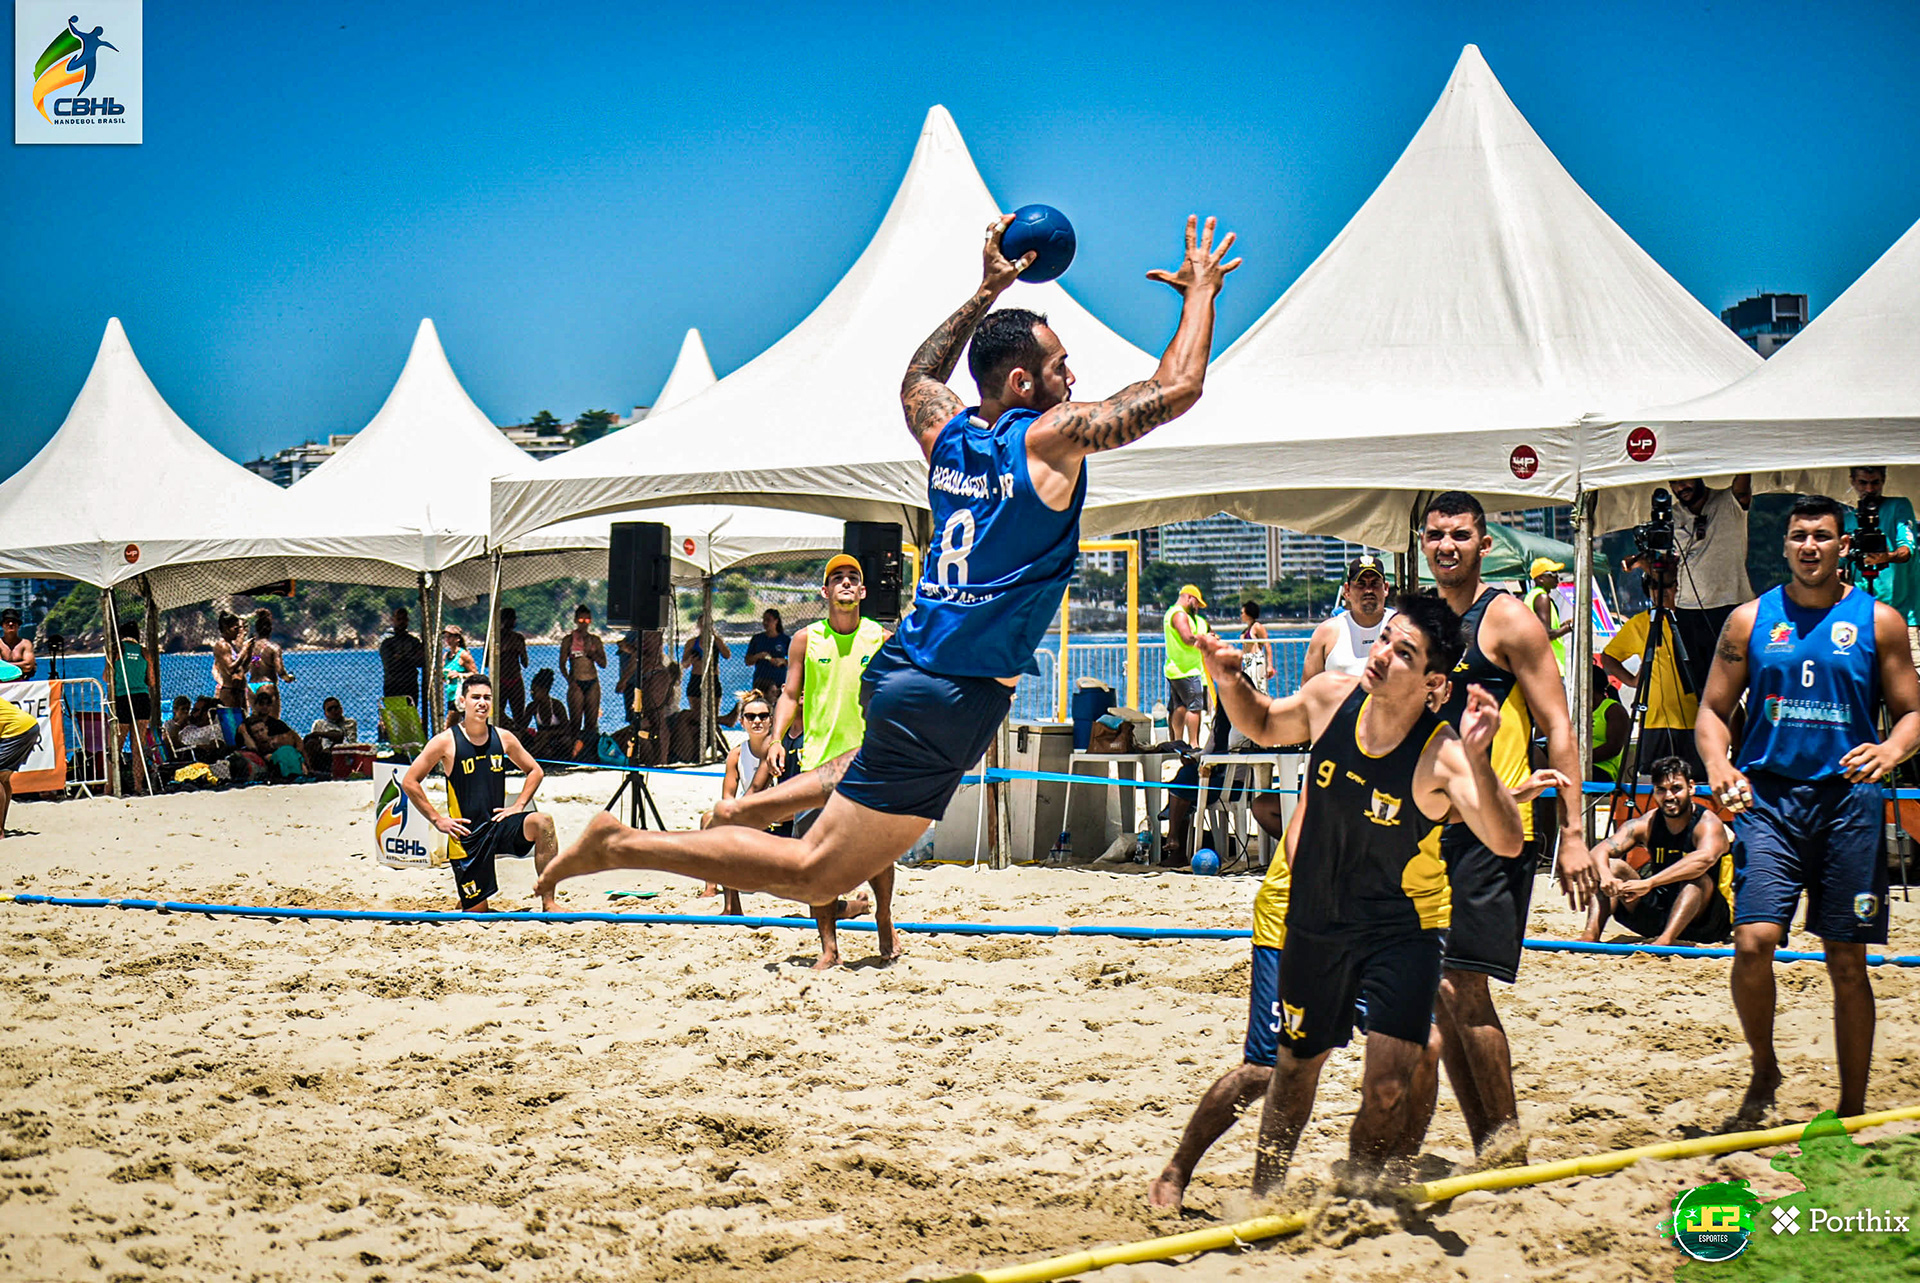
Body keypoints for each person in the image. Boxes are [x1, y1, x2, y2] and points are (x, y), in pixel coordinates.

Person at [537, 212, 1241, 939]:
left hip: (903, 667)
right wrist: (1201, 292)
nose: (1073, 378)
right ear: (1023, 381)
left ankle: (747, 807)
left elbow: (920, 376)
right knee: (817, 872)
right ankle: (621, 845)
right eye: (1062, 366)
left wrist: (986, 291)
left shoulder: (947, 433)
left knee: (869, 762)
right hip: (951, 693)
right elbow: (1176, 386)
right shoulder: (1045, 441)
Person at [1193, 595, 1534, 1195]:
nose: (1381, 654)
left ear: (1433, 682)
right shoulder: (1332, 695)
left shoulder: (1444, 753)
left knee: (1389, 1084)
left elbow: (1507, 841)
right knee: (1294, 1070)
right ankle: (1264, 1196)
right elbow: (1264, 722)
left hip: (1401, 930)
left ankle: (1359, 1189)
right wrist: (1228, 681)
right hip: (1318, 919)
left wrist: (1481, 761)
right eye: (1384, 639)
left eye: (1403, 652)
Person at [1697, 493, 1920, 1123]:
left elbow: (1912, 712)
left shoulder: (1879, 621)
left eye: (1822, 535)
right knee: (1753, 944)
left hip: (1849, 806)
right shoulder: (1749, 620)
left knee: (1846, 960)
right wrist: (1718, 766)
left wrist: (1891, 749)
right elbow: (1712, 710)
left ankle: (1851, 1109)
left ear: (1842, 545)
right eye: (1799, 536)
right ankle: (1764, 1068)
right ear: (1785, 544)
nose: (1810, 547)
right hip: (1769, 801)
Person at [1419, 490, 1596, 1167]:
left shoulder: (1509, 619)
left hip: (1499, 825)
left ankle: (1509, 1149)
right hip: (1435, 824)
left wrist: (1574, 834)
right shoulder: (1422, 618)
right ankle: (1490, 1145)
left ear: (1484, 544)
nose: (1447, 546)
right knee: (1440, 992)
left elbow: (1560, 725)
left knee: (1465, 986)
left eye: (1460, 535)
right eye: (1436, 535)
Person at [735, 556, 895, 968]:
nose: (846, 582)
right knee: (814, 860)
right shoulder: (806, 640)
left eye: (853, 577)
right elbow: (789, 694)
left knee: (877, 853)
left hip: (867, 760)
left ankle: (883, 918)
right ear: (825, 591)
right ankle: (829, 948)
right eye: (837, 578)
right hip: (817, 763)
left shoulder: (881, 638)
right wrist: (775, 740)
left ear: (862, 591)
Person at [402, 674, 558, 913]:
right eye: (475, 697)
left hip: (498, 825)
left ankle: (549, 903)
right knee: (477, 913)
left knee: (543, 822)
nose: (482, 702)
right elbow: (410, 781)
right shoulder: (445, 741)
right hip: (468, 836)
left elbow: (535, 771)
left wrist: (518, 806)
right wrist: (437, 819)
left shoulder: (503, 738)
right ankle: (468, 900)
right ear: (462, 701)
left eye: (487, 697)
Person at [1580, 756, 1732, 945]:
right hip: (1658, 913)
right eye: (1661, 790)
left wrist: (1650, 882)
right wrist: (1606, 877)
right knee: (1611, 866)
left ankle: (1664, 942)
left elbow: (1703, 860)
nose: (1669, 797)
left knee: (1697, 879)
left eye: (1676, 788)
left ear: (1691, 787)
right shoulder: (1647, 822)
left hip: (1706, 923)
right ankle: (1590, 936)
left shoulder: (1707, 823)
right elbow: (1598, 851)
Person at [1600, 567, 1701, 779]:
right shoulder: (1640, 623)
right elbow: (1608, 657)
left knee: (1697, 781)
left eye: (1668, 585)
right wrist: (1631, 681)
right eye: (1654, 586)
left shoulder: (1693, 620)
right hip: (1654, 721)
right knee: (1653, 782)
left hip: (1695, 718)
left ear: (1679, 587)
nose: (1661, 591)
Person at [1670, 474, 1753, 694]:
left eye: (1685, 479)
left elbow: (1744, 474)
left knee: (1734, 690)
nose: (1680, 487)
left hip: (1730, 606)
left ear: (1700, 475)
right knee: (1701, 692)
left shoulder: (1729, 500)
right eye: (1674, 483)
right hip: (1687, 611)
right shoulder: (1672, 514)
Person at [708, 690, 786, 917]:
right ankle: (712, 888)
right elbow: (728, 796)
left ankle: (730, 904)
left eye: (763, 716)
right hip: (753, 815)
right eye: (751, 717)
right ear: (741, 722)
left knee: (727, 823)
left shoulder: (777, 747)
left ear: (772, 720)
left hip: (778, 818)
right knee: (709, 819)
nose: (757, 721)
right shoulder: (736, 754)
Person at [1846, 465, 1920, 675]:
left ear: (1884, 480)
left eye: (1875, 483)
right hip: (1862, 615)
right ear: (1853, 481)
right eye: (1863, 483)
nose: (1869, 489)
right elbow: (1841, 563)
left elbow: (1907, 549)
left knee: (1911, 678)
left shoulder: (1898, 506)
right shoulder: (1848, 517)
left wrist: (1888, 557)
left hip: (1902, 615)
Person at [1303, 555, 1395, 681]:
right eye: (1361, 584)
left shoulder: (1403, 628)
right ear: (1347, 590)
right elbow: (1308, 688)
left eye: (1375, 583)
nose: (1368, 590)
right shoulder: (1326, 633)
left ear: (1386, 588)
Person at [1163, 585, 1211, 747]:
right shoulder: (1179, 614)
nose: (1197, 607)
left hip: (1176, 668)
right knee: (1194, 708)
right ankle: (1193, 744)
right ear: (1189, 597)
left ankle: (1177, 741)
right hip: (1187, 669)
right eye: (1196, 603)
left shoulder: (1172, 613)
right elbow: (1187, 638)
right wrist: (1205, 639)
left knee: (1179, 707)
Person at [110, 618, 153, 794]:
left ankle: (109, 786)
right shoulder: (144, 652)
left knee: (117, 747)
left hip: (123, 698)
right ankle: (138, 786)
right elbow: (151, 680)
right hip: (142, 699)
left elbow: (106, 676)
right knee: (138, 747)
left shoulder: (117, 650)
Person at [560, 605, 606, 761]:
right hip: (576, 682)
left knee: (591, 723)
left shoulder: (595, 640)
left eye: (587, 620)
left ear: (590, 621)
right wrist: (570, 681)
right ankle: (573, 754)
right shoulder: (568, 640)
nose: (584, 623)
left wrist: (592, 654)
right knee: (575, 722)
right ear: (575, 620)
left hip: (592, 681)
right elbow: (562, 664)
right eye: (581, 620)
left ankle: (590, 754)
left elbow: (603, 663)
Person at [0, 693, 42, 836]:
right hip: (28, 726)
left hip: (18, 730)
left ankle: (0, 830)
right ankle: (1, 826)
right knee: (3, 779)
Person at [239, 689, 303, 779]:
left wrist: (297, 751)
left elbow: (296, 738)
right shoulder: (247, 724)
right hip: (262, 756)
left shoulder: (277, 724)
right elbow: (251, 747)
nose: (265, 707)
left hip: (283, 753)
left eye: (268, 704)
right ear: (255, 705)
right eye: (261, 704)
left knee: (288, 752)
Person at [1523, 558, 1572, 674]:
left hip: (1539, 665)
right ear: (1540, 578)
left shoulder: (1532, 596)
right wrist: (1570, 627)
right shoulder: (1542, 597)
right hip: (1548, 666)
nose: (1557, 578)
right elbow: (1546, 634)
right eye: (1552, 574)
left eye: (1557, 574)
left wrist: (1562, 626)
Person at [247, 609, 293, 717]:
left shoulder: (250, 647)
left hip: (251, 686)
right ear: (270, 629)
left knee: (257, 722)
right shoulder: (274, 648)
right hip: (267, 685)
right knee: (273, 722)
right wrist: (289, 678)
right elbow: (280, 671)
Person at [682, 620, 732, 720]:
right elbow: (684, 664)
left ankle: (722, 722)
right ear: (698, 626)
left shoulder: (716, 641)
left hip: (712, 678)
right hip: (696, 678)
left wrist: (716, 639)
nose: (704, 626)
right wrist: (691, 660)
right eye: (702, 624)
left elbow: (727, 655)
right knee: (697, 714)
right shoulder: (692, 643)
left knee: (713, 714)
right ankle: (726, 720)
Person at [519, 668, 572, 761]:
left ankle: (531, 756)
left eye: (534, 691)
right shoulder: (532, 706)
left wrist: (549, 734)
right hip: (541, 740)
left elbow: (567, 729)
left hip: (557, 739)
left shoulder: (556, 706)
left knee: (565, 742)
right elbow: (523, 726)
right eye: (531, 691)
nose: (532, 694)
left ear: (544, 690)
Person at [378, 607, 425, 710]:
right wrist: (410, 658)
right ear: (393, 620)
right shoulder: (387, 643)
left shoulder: (413, 641)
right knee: (394, 714)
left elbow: (421, 661)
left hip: (410, 685)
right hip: (393, 685)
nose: (401, 622)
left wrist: (401, 657)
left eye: (404, 619)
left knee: (410, 713)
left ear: (407, 621)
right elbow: (390, 664)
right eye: (399, 619)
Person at [1589, 666, 1627, 784]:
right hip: (1572, 765)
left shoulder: (1613, 710)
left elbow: (1613, 748)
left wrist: (1579, 760)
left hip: (1601, 769)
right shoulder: (1573, 710)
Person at [745, 609, 792, 703]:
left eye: (768, 620)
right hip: (761, 680)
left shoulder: (784, 639)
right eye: (764, 620)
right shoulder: (757, 639)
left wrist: (783, 661)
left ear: (776, 621)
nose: (765, 623)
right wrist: (758, 656)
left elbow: (796, 661)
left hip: (779, 680)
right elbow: (748, 661)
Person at [304, 697, 358, 774]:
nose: (334, 711)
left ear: (341, 709)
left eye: (336, 708)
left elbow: (350, 741)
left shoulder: (349, 723)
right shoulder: (319, 724)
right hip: (324, 755)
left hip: (343, 753)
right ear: (325, 713)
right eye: (330, 709)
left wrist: (320, 734)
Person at [494, 607, 529, 727]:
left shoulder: (518, 638)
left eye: (512, 620)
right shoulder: (496, 638)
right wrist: (502, 651)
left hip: (515, 679)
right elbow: (488, 661)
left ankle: (518, 734)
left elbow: (525, 663)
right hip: (500, 680)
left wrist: (519, 650)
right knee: (498, 715)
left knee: (519, 716)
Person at [212, 612, 253, 710]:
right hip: (230, 693)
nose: (238, 632)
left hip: (240, 692)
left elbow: (243, 668)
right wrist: (244, 650)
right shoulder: (222, 645)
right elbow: (230, 669)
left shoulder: (232, 645)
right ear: (226, 628)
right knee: (231, 720)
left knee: (243, 719)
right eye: (235, 629)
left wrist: (249, 652)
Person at [441, 626, 479, 720]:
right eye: (446, 637)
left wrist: (459, 675)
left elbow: (475, 673)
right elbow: (444, 675)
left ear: (457, 638)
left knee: (450, 724)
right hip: (451, 694)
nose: (447, 639)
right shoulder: (446, 656)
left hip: (461, 695)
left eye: (450, 636)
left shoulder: (463, 655)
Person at [1239, 601, 1273, 691]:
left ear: (1248, 613)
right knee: (1247, 688)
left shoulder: (1257, 626)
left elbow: (1267, 645)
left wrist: (1270, 665)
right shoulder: (1247, 629)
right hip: (1247, 661)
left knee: (1257, 688)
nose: (1241, 615)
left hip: (1256, 660)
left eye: (1242, 613)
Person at [0, 610, 36, 678]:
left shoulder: (26, 644)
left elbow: (28, 666)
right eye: (7, 622)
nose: (10, 624)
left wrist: (6, 666)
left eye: (14, 622)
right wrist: (20, 665)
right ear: (2, 625)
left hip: (21, 682)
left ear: (18, 626)